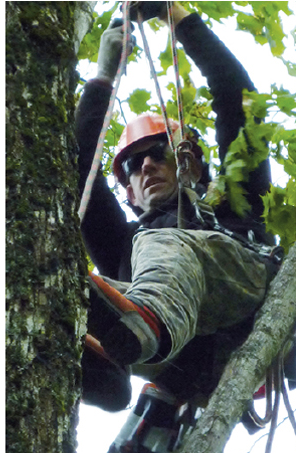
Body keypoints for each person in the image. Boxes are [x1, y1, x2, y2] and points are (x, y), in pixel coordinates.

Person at [74, 4, 277, 413]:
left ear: (190, 162)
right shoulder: (124, 245)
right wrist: (102, 76)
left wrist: (175, 15)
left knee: (165, 242)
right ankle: (103, 361)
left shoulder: (233, 204)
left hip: (240, 302)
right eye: (133, 164)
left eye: (158, 153)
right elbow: (79, 170)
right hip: (186, 364)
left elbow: (237, 98)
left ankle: (141, 327)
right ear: (128, 193)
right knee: (68, 287)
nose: (146, 164)